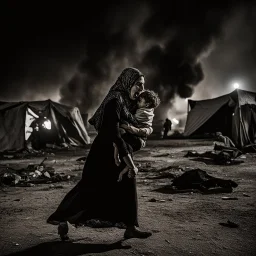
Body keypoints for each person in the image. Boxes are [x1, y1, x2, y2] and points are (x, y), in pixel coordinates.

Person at [47, 67, 152, 241]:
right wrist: (131, 164)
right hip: (102, 154)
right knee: (89, 188)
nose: (141, 90)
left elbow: (137, 128)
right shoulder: (115, 101)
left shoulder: (128, 103)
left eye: (142, 86)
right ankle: (62, 219)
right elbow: (114, 134)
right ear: (128, 82)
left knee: (127, 186)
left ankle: (131, 227)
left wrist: (138, 139)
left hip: (121, 152)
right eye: (138, 85)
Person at [114, 89, 161, 182]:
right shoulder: (147, 108)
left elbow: (134, 123)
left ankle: (122, 161)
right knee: (123, 147)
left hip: (138, 138)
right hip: (137, 137)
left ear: (147, 104)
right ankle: (125, 167)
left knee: (121, 141)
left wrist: (126, 126)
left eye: (140, 101)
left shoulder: (144, 112)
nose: (137, 102)